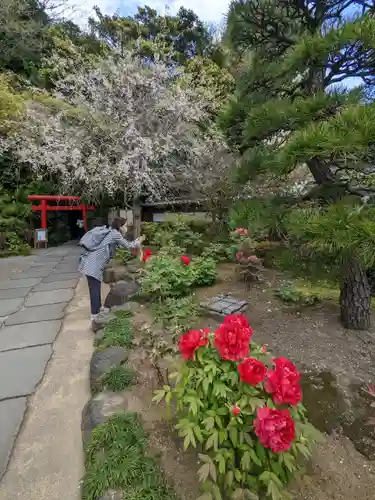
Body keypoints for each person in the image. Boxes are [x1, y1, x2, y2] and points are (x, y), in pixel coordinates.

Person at [79, 217, 143, 320]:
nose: (126, 228)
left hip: (90, 263)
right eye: (125, 225)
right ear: (120, 226)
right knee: (95, 289)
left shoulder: (112, 233)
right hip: (93, 265)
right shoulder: (115, 234)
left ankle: (98, 309)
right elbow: (127, 246)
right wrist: (137, 243)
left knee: (95, 288)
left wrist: (134, 243)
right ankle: (95, 314)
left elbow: (122, 246)